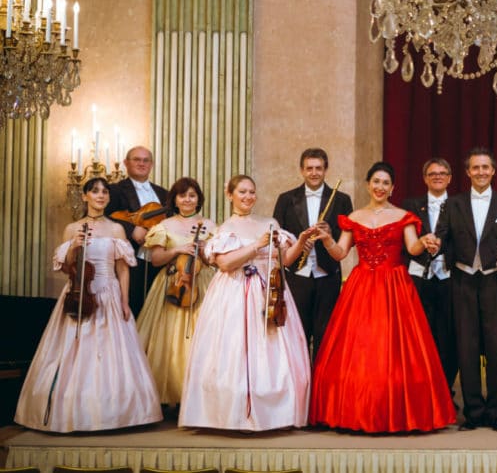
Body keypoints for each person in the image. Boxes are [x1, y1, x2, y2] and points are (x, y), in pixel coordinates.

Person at [309, 161, 456, 433]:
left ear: (393, 188)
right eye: (376, 182)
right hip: (361, 285)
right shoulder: (353, 217)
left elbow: (412, 248)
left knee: (397, 351)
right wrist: (327, 238)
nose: (380, 187)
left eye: (385, 183)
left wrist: (424, 242)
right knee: (361, 351)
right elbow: (341, 253)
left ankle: (400, 413)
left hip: (395, 285)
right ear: (368, 184)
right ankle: (355, 413)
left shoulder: (404, 215)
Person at [15, 177, 162, 432]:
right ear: (85, 196)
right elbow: (66, 267)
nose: (101, 196)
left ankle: (116, 414)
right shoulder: (72, 229)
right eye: (95, 192)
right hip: (77, 292)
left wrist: (125, 301)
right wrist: (73, 247)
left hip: (108, 292)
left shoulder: (116, 229)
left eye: (104, 192)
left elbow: (123, 270)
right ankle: (71, 413)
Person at [179, 175, 310, 431]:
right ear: (230, 195)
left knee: (272, 349)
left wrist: (302, 242)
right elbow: (226, 264)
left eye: (252, 192)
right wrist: (256, 245)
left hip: (268, 290)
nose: (248, 196)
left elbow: (283, 260)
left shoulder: (269, 222)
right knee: (233, 352)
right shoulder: (225, 228)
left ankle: (276, 414)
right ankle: (231, 415)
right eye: (242, 192)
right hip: (234, 292)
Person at [425, 147, 497, 431]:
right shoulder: (453, 204)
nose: (481, 172)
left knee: (496, 349)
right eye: (475, 167)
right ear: (468, 172)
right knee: (466, 348)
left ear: (493, 171)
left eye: (485, 167)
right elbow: (442, 238)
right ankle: (473, 412)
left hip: (496, 282)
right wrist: (434, 244)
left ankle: (495, 413)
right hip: (463, 282)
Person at [135, 177, 217, 408]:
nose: (187, 200)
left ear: (198, 199)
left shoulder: (209, 226)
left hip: (202, 282)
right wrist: (178, 249)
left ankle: (200, 395)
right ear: (175, 199)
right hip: (172, 283)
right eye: (182, 196)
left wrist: (203, 251)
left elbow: (215, 261)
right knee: (167, 341)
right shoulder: (164, 226)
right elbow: (156, 259)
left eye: (192, 195)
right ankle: (171, 395)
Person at [272, 148, 353, 359]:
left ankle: (321, 387)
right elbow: (279, 237)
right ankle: (301, 386)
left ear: (326, 170)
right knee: (297, 336)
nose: (314, 173)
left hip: (328, 275)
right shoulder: (286, 199)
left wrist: (329, 235)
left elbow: (348, 240)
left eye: (318, 168)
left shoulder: (342, 199)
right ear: (301, 170)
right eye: (309, 168)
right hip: (297, 276)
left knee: (326, 338)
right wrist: (299, 244)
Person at [401, 157, 458, 393]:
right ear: (424, 178)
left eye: (443, 173)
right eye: (433, 173)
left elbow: (462, 240)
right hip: (418, 278)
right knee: (419, 336)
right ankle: (421, 391)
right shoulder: (410, 205)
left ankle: (445, 391)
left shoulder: (458, 205)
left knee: (448, 337)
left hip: (448, 278)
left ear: (450, 178)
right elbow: (402, 242)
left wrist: (441, 247)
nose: (438, 177)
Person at [106, 146, 168, 316]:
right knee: (131, 309)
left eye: (146, 160)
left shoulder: (164, 194)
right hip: (130, 262)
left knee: (157, 312)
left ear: (151, 164)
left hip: (160, 261)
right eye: (136, 159)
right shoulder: (115, 190)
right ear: (126, 163)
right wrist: (131, 229)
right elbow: (100, 217)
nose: (142, 163)